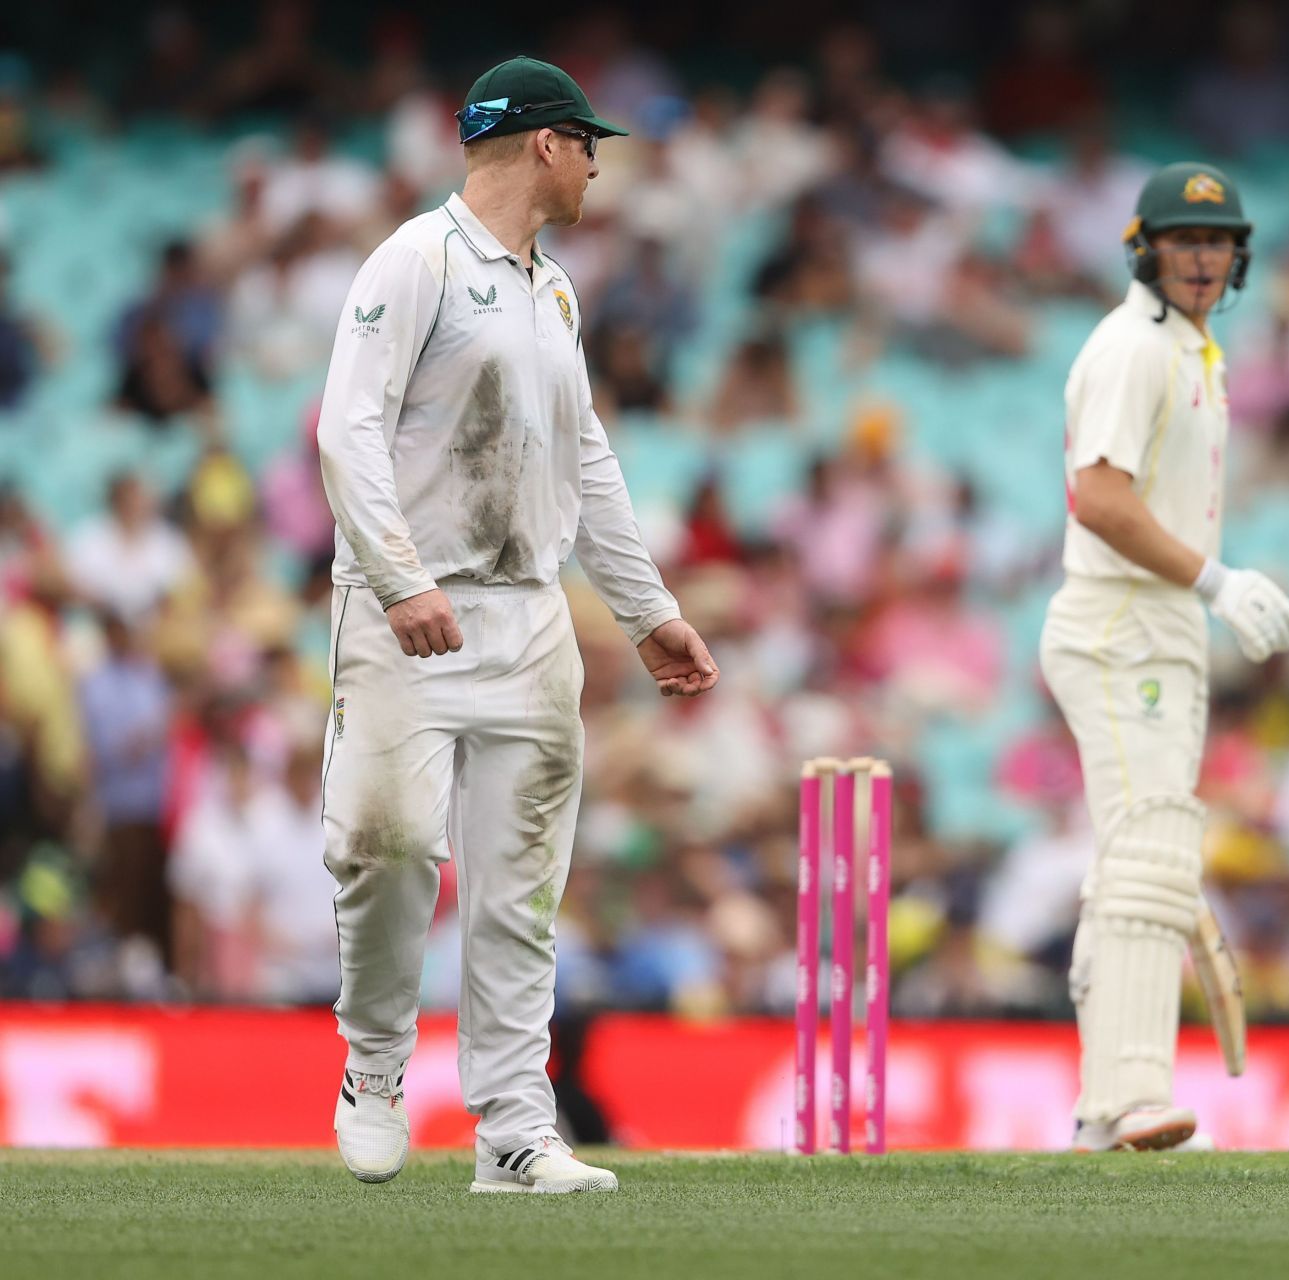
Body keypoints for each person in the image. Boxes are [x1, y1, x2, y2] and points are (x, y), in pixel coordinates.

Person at [316, 56, 718, 1195]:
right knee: (386, 845)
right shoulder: (416, 259)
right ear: (545, 144)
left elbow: (584, 457)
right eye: (588, 143)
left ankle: (513, 1130)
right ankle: (376, 1068)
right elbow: (347, 431)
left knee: (520, 885)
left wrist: (649, 612)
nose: (598, 165)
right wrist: (399, 580)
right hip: (410, 615)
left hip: (529, 617)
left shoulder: (553, 287)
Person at [1038, 162, 1289, 1152]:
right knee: (1151, 848)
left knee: (1133, 858)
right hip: (1123, 622)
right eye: (1184, 240)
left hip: (1156, 628)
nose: (1202, 258)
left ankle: (1099, 1104)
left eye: (1218, 242)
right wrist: (1218, 580)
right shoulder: (1132, 347)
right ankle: (1129, 1094)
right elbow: (1099, 500)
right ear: (1143, 245)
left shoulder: (1194, 347)